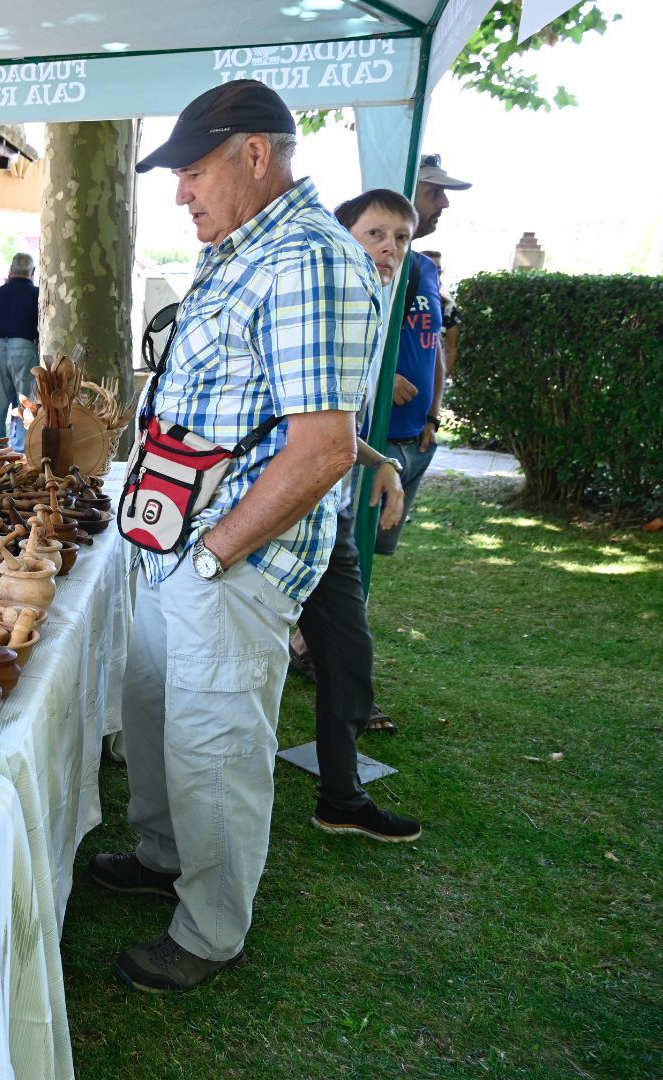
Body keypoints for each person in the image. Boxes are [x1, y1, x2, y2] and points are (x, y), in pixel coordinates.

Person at [94, 80, 382, 992]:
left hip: (230, 555)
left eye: (192, 170)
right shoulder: (240, 247)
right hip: (171, 540)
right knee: (152, 714)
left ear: (256, 154)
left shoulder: (309, 259)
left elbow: (324, 448)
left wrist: (219, 554)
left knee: (216, 746)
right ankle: (161, 854)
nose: (181, 191)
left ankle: (211, 927)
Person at [283, 188, 422, 842]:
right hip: (277, 519)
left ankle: (341, 796)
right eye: (376, 233)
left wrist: (382, 464)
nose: (390, 248)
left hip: (328, 523)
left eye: (400, 236)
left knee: (349, 658)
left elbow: (336, 430)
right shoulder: (318, 307)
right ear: (342, 237)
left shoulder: (370, 312)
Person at [375, 154, 472, 556]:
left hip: (418, 441)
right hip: (375, 442)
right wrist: (380, 378)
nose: (444, 204)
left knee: (373, 555)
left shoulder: (424, 269)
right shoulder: (368, 267)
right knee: (344, 558)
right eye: (434, 192)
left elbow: (434, 347)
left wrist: (434, 414)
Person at [0, 252, 40, 451]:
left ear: (10, 270)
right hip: (25, 347)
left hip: (0, 347)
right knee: (26, 401)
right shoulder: (37, 294)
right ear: (33, 272)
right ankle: (21, 450)